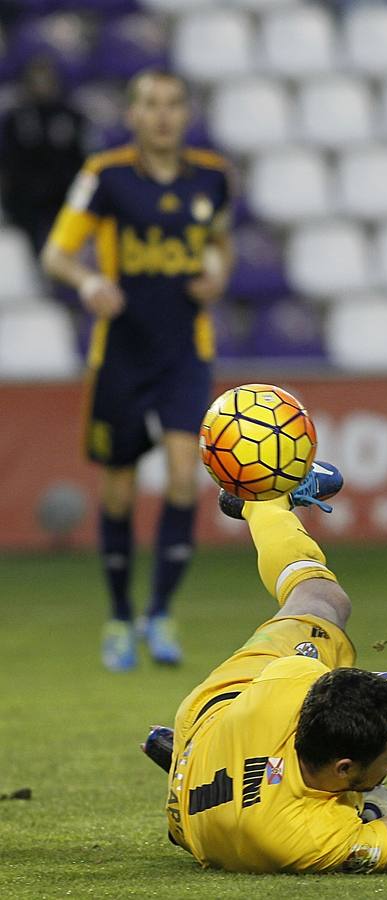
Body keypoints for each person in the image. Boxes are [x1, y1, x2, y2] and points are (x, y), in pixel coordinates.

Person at [142, 466, 387, 874]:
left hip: (216, 712)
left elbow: (336, 690)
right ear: (343, 768)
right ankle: (262, 496)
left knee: (322, 600)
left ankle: (261, 505)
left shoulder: (286, 687)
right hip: (209, 803)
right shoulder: (312, 837)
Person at [40, 70, 235, 671]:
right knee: (119, 488)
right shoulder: (105, 177)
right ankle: (120, 615)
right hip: (121, 353)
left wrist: (219, 273)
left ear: (185, 112)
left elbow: (219, 243)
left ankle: (160, 613)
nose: (162, 115)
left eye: (173, 104)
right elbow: (56, 254)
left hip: (184, 350)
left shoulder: (212, 178)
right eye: (150, 104)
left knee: (183, 475)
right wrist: (89, 279)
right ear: (133, 113)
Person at [0, 54, 86, 254]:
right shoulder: (15, 119)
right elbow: (5, 161)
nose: (41, 86)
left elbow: (84, 161)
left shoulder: (71, 116)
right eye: (36, 81)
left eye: (46, 80)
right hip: (24, 199)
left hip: (64, 196)